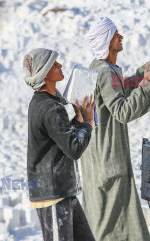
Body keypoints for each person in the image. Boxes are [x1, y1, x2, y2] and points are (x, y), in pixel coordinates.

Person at [81, 17, 150, 240]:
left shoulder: (99, 68)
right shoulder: (104, 72)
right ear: (106, 40)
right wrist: (148, 84)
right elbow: (123, 112)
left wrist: (148, 69)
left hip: (97, 161)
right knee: (114, 228)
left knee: (108, 224)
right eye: (115, 34)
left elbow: (120, 88)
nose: (121, 37)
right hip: (109, 161)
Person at [23, 48, 96, 241]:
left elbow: (61, 139)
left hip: (63, 191)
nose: (60, 65)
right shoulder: (50, 108)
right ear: (45, 73)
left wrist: (79, 118)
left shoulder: (45, 102)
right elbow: (74, 148)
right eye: (55, 64)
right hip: (52, 193)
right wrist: (88, 122)